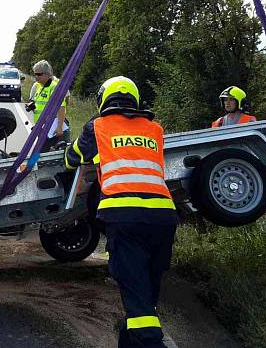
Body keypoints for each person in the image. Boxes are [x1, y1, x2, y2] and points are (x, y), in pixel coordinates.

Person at [65, 76, 176, 348]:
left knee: (136, 295)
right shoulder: (155, 129)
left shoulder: (97, 126)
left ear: (103, 99)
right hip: (164, 216)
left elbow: (72, 158)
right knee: (146, 291)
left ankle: (150, 342)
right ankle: (131, 341)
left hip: (124, 215)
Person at [26, 60, 70, 152]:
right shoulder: (38, 86)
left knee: (39, 153)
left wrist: (59, 127)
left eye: (39, 74)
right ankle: (37, 165)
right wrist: (33, 106)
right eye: (35, 74)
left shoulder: (54, 87)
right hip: (42, 127)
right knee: (42, 154)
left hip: (52, 128)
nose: (36, 77)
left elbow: (61, 107)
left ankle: (32, 165)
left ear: (47, 74)